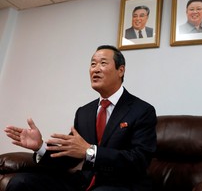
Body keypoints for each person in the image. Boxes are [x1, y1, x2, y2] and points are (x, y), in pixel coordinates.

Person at [4, 45, 157, 191]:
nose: (95, 69)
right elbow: (68, 157)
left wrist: (90, 152)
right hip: (82, 183)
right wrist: (40, 146)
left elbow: (139, 160)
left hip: (121, 184)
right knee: (21, 182)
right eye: (93, 64)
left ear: (120, 70)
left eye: (103, 63)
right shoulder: (84, 112)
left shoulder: (142, 110)